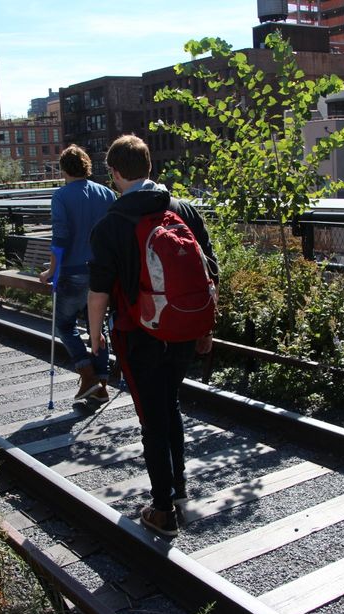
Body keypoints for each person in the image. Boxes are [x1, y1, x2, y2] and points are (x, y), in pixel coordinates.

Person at [87, 135, 219, 537]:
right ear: (149, 168)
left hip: (137, 333)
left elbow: (98, 293)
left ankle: (163, 511)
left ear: (114, 173)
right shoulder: (184, 210)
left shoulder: (110, 224)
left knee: (151, 418)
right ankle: (178, 488)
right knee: (170, 404)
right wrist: (205, 327)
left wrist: (96, 340)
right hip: (183, 329)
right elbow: (211, 270)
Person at [39, 144, 117, 403]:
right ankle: (102, 385)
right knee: (98, 326)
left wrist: (52, 270)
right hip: (101, 273)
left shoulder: (61, 196)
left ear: (63, 169)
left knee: (64, 325)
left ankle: (88, 375)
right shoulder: (107, 194)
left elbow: (60, 236)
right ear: (87, 166)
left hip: (73, 271)